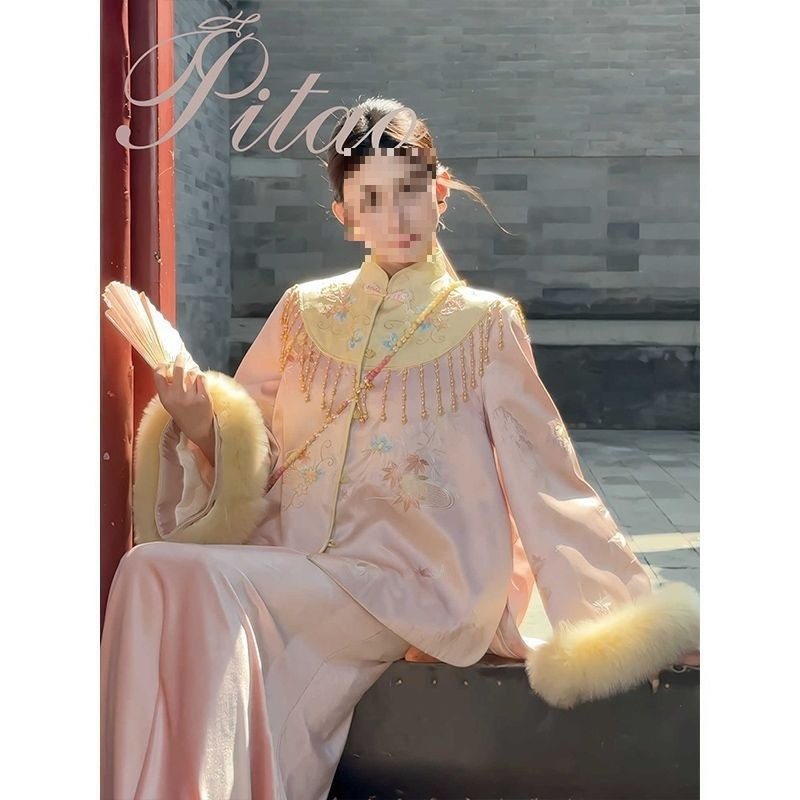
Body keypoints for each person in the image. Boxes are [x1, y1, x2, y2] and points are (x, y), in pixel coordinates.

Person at [100, 98, 700, 800]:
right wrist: (199, 421)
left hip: (416, 585)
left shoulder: (484, 326)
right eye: (373, 201)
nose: (398, 217)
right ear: (345, 216)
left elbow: (549, 481)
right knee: (147, 569)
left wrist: (633, 623)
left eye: (411, 191)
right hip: (297, 560)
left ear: (440, 191)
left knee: (202, 584)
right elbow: (258, 456)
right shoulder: (303, 312)